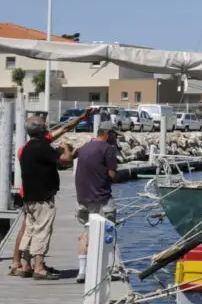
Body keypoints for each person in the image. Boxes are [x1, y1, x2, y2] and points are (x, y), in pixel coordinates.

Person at [11, 119, 72, 279]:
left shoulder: (25, 148)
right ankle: (39, 267)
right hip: (42, 198)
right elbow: (66, 160)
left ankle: (25, 264)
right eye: (45, 125)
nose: (47, 127)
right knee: (42, 231)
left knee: (30, 231)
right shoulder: (42, 147)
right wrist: (66, 148)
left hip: (29, 198)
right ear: (42, 130)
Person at [72, 122, 121, 283]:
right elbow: (112, 174)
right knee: (108, 232)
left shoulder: (85, 147)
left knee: (86, 233)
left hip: (83, 198)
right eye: (114, 135)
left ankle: (83, 271)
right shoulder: (108, 149)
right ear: (107, 133)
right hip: (102, 199)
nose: (115, 138)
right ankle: (108, 270)